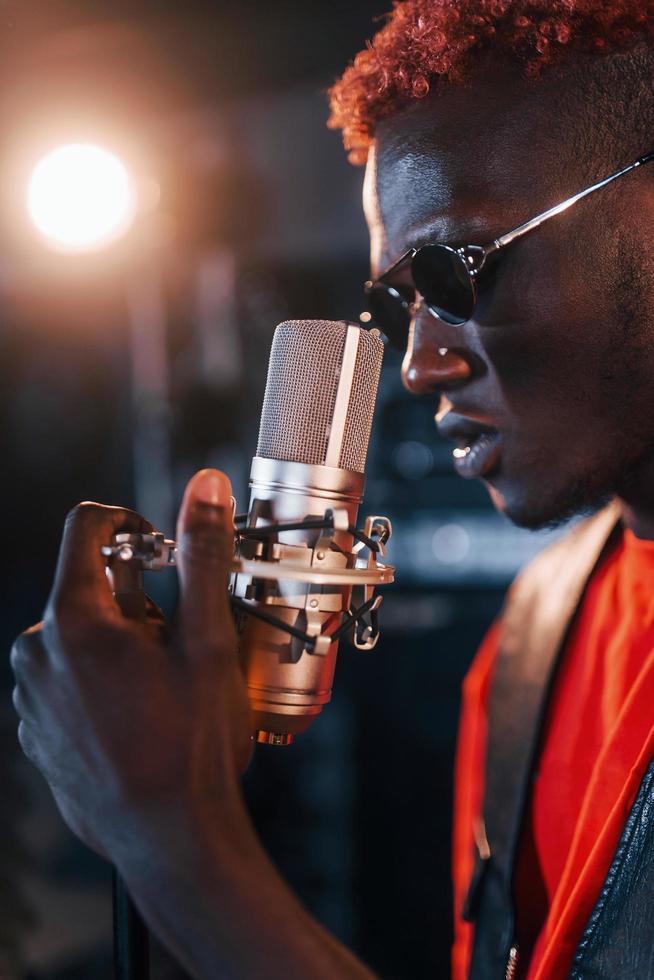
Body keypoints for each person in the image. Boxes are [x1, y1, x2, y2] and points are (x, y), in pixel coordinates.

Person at [10, 2, 654, 978]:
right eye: (402, 299)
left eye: (455, 270)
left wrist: (169, 833)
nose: (419, 364)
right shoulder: (534, 636)